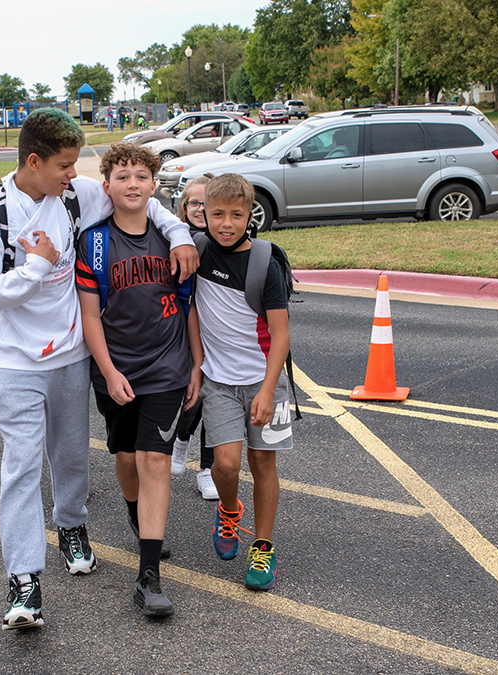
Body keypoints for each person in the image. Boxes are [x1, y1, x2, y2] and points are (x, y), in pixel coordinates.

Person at [0, 107, 197, 631]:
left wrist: (178, 232)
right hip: (14, 362)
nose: (76, 175)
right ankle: (24, 582)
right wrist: (36, 269)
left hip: (70, 358)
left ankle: (71, 525)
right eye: (66, 165)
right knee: (21, 468)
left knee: (71, 458)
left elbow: (138, 199)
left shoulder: (75, 196)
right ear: (33, 161)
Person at [74, 143, 201, 617]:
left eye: (141, 176)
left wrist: (196, 362)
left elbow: (188, 307)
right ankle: (135, 513)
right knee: (126, 458)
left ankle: (149, 576)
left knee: (154, 461)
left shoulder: (174, 240)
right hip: (116, 369)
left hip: (167, 367)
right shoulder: (95, 243)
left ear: (154, 185)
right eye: (123, 176)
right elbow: (90, 317)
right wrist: (108, 372)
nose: (132, 184)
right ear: (106, 185)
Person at [190, 173, 291, 592]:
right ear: (203, 215)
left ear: (251, 215)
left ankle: (263, 547)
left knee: (263, 463)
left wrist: (268, 390)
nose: (226, 223)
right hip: (218, 382)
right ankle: (229, 511)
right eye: (217, 214)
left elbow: (281, 333)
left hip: (267, 380)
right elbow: (190, 309)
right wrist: (197, 363)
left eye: (236, 214)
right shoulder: (194, 252)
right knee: (225, 464)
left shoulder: (264, 262)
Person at [170, 175, 218, 500]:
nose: (200, 209)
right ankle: (181, 435)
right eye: (194, 203)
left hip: (218, 333)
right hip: (187, 331)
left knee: (215, 401)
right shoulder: (175, 239)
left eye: (207, 203)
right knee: (195, 392)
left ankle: (207, 470)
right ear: (183, 207)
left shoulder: (226, 238)